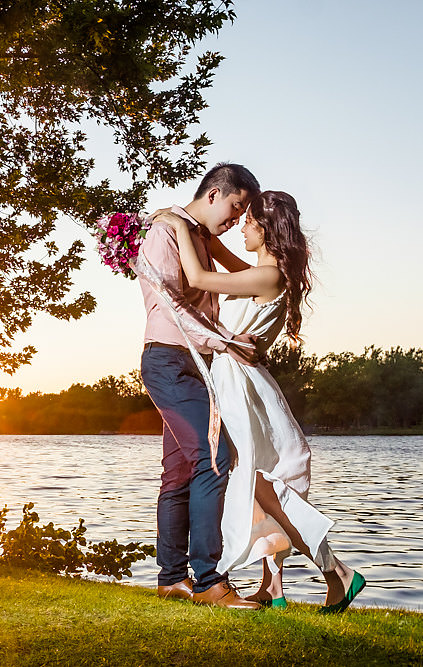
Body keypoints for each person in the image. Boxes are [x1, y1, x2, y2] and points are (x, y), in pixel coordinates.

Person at [155, 190, 365, 613]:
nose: (241, 227)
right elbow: (225, 262)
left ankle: (336, 572)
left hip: (239, 388)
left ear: (267, 229)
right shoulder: (262, 272)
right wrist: (200, 231)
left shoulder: (266, 277)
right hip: (236, 381)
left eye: (248, 221)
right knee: (256, 484)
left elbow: (198, 279)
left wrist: (177, 225)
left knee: (261, 484)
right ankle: (274, 585)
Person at [137, 162, 263, 610]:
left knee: (181, 471)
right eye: (235, 207)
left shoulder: (201, 236)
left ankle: (172, 579)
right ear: (214, 194)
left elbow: (246, 275)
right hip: (169, 361)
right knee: (216, 458)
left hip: (197, 364)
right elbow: (171, 305)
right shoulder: (166, 233)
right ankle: (209, 581)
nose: (235, 220)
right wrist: (226, 341)